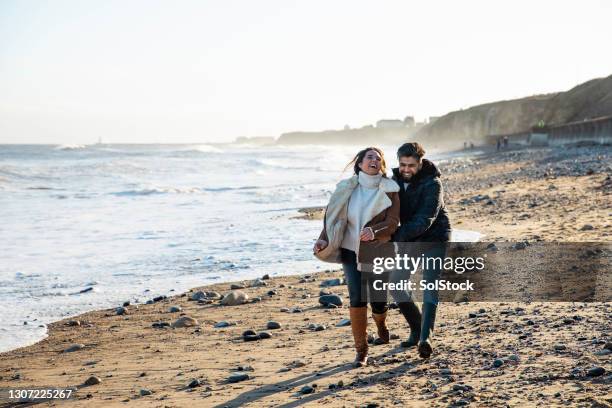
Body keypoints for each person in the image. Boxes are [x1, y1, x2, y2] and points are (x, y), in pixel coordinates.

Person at [313, 147, 400, 367]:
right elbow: (332, 217)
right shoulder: (346, 188)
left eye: (378, 158)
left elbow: (393, 221)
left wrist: (375, 231)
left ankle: (380, 323)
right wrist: (323, 238)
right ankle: (361, 351)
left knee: (378, 299)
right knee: (357, 297)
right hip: (350, 250)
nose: (374, 160)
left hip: (378, 249)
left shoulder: (390, 189)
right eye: (369, 157)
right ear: (359, 163)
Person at [389, 142, 452, 358]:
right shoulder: (393, 180)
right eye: (403, 164)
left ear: (420, 162)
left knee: (429, 286)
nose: (407, 169)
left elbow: (425, 219)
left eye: (412, 165)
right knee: (396, 284)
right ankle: (417, 329)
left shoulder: (433, 183)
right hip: (411, 238)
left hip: (434, 237)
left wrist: (394, 236)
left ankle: (426, 338)